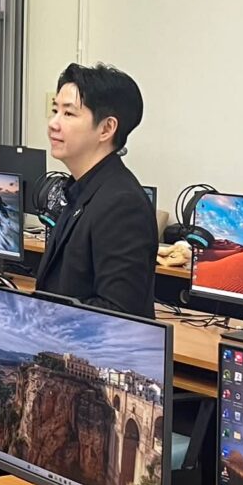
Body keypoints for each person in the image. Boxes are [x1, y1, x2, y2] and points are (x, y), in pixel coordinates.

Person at [36, 63, 157, 318]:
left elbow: (118, 315)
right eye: (55, 111)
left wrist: (33, 313)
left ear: (106, 128)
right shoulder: (80, 190)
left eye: (69, 114)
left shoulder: (122, 203)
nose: (53, 123)